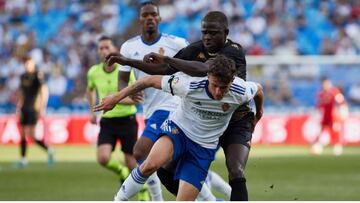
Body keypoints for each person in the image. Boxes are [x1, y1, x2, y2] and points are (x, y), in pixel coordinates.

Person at [106, 10, 259, 201]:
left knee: (236, 170)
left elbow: (205, 69)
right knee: (164, 168)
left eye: (213, 33)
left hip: (235, 119)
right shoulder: (194, 53)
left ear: (226, 33)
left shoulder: (234, 52)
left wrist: (257, 114)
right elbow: (164, 70)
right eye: (204, 32)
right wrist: (128, 61)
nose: (207, 37)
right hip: (199, 121)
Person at [115, 1, 188, 201]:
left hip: (172, 106)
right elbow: (122, 80)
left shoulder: (177, 43)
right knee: (168, 163)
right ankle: (208, 198)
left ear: (159, 18)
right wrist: (127, 93)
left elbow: (193, 67)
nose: (149, 18)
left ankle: (155, 199)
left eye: (153, 15)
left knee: (140, 152)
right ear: (140, 19)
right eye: (145, 15)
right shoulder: (129, 47)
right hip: (149, 110)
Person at [86, 36, 150, 200]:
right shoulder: (93, 72)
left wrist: (115, 99)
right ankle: (121, 173)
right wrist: (92, 111)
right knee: (103, 158)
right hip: (107, 122)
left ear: (114, 50)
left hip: (126, 120)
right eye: (101, 48)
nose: (104, 51)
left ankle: (143, 192)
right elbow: (90, 90)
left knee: (132, 164)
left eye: (107, 47)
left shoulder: (125, 72)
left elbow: (137, 100)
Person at [15, 56, 53, 167]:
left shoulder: (38, 75)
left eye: (29, 63)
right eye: (25, 63)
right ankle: (23, 159)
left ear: (32, 63)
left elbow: (44, 90)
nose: (27, 65)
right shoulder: (22, 76)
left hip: (33, 108)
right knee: (22, 134)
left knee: (31, 135)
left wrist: (42, 107)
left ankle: (49, 149)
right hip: (24, 108)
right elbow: (21, 93)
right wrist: (18, 108)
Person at [311, 77, 347, 156]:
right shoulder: (320, 94)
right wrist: (316, 114)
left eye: (327, 84)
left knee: (335, 132)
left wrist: (343, 111)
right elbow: (318, 106)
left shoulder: (334, 92)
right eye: (324, 84)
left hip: (333, 117)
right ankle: (317, 147)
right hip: (324, 117)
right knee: (321, 132)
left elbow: (341, 102)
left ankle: (337, 148)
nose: (325, 85)